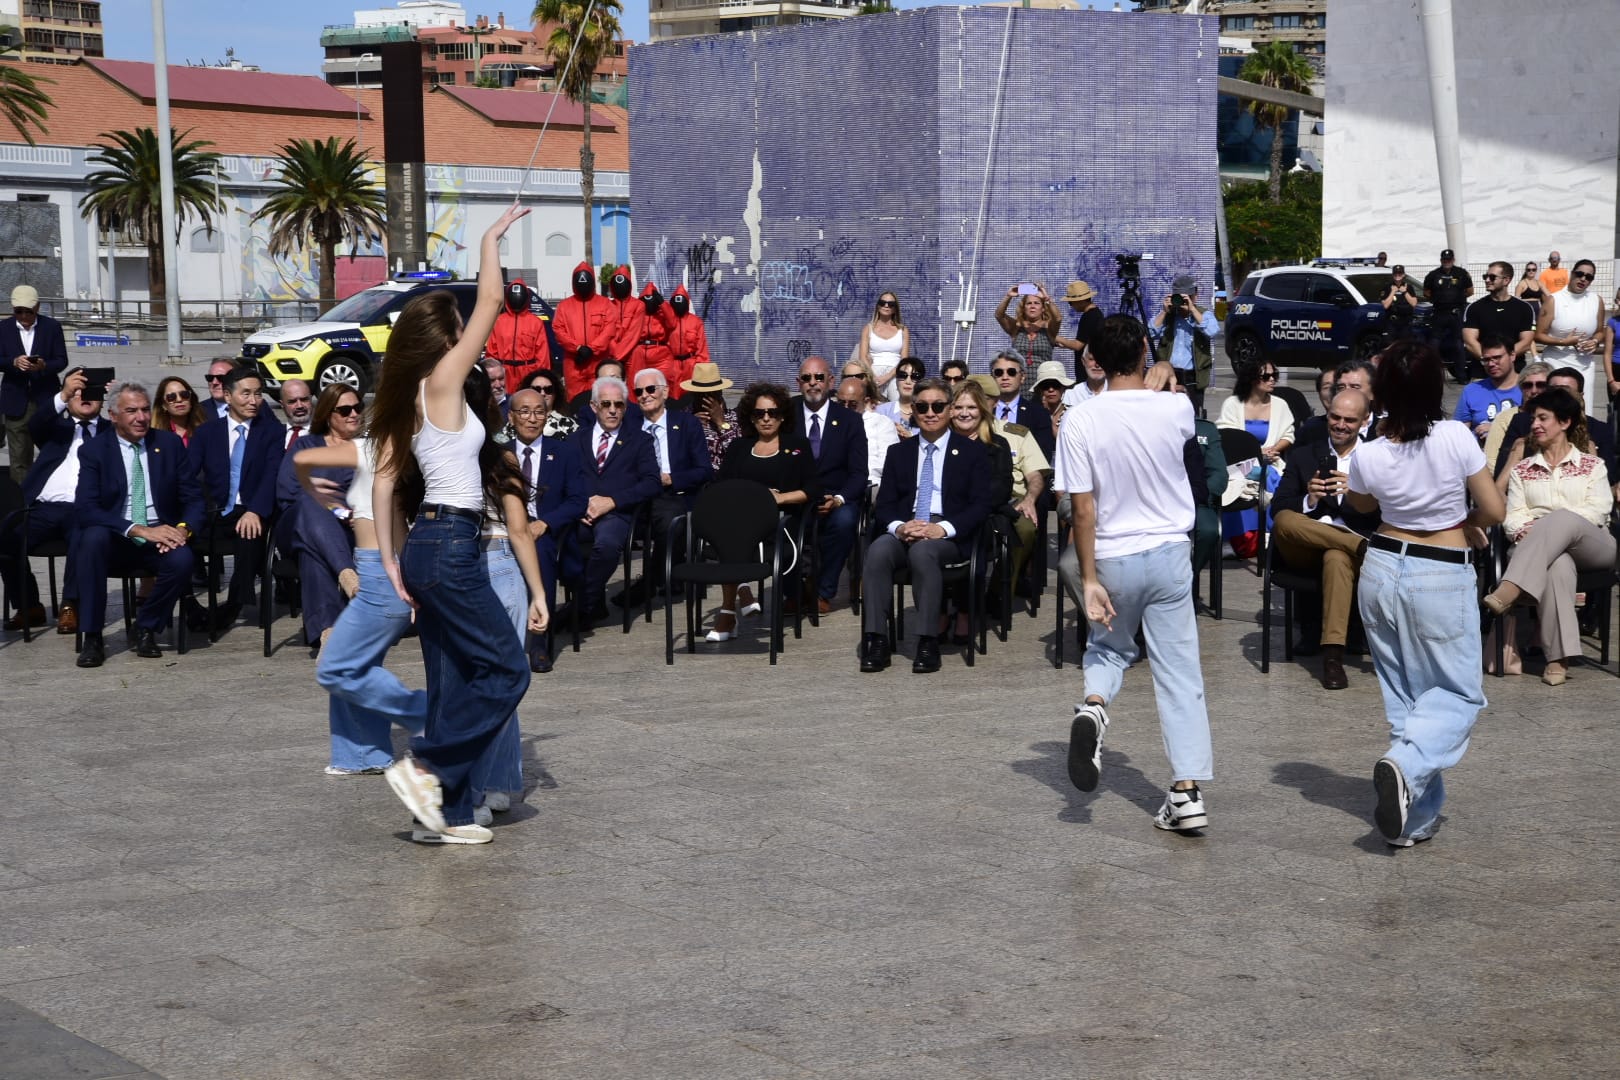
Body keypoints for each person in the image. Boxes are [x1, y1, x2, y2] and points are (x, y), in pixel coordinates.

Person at [370, 204, 540, 846]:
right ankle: (427, 769)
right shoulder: (442, 380)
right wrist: (491, 239)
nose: (471, 340)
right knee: (506, 670)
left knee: (454, 680)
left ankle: (445, 815)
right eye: (459, 332)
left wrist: (392, 561)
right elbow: (493, 298)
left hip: (430, 547)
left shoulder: (407, 395)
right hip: (450, 543)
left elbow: (385, 483)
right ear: (442, 341)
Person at [1344, 339, 1505, 848]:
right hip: (1440, 570)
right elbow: (1495, 509)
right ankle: (1406, 764)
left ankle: (1411, 819)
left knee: (1405, 696)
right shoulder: (1456, 436)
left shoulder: (1369, 452)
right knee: (1458, 694)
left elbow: (1362, 505)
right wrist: (1468, 522)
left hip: (1383, 565)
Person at [1059, 314, 1215, 833]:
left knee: (1107, 649)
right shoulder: (1175, 408)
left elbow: (1082, 509)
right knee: (1179, 674)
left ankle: (1096, 705)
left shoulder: (1078, 418)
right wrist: (1167, 366)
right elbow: (1173, 390)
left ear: (1094, 360)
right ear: (1145, 351)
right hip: (1171, 553)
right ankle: (1187, 790)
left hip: (1115, 553)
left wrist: (1087, 578)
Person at [859, 377, 993, 675]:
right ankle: (876, 639)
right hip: (907, 525)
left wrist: (942, 528)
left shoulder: (972, 451)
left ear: (948, 409)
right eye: (922, 406)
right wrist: (899, 527)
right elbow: (885, 505)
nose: (930, 412)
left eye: (937, 406)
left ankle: (927, 640)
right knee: (879, 550)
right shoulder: (899, 453)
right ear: (914, 410)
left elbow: (980, 505)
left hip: (946, 533)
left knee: (924, 554)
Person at [1483, 388, 1615, 686]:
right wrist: (1537, 532)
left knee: (1563, 518)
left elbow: (1598, 511)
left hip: (1592, 543)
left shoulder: (1593, 466)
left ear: (1565, 422)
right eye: (1533, 419)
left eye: (1543, 418)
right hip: (1539, 550)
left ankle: (1510, 587)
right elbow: (1513, 515)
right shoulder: (1523, 470)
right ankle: (1557, 659)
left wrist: (1549, 524)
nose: (1535, 425)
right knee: (1558, 565)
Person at [72, 382, 203, 667]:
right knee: (91, 540)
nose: (141, 417)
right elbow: (86, 508)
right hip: (116, 535)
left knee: (183, 559)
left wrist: (182, 529)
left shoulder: (167, 444)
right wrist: (137, 529)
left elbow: (194, 498)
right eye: (131, 411)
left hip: (161, 532)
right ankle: (92, 635)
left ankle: (146, 626)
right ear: (113, 415)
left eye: (144, 410)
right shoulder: (95, 450)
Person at [1270, 389, 1382, 689]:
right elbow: (1278, 506)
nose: (1341, 425)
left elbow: (1389, 514)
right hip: (1307, 545)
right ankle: (1358, 547)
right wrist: (1308, 499)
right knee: (1283, 520)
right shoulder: (1305, 454)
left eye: (1349, 419)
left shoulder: (1375, 457)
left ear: (1364, 421)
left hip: (1352, 549)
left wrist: (1354, 497)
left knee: (1336, 557)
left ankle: (1332, 658)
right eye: (1335, 417)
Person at [709, 383, 820, 642]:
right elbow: (722, 486)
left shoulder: (797, 445)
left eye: (773, 412)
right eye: (760, 414)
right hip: (743, 523)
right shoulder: (739, 447)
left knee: (734, 540)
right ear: (751, 416)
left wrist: (780, 497)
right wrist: (753, 497)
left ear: (783, 415)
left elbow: (814, 488)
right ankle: (732, 605)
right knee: (730, 534)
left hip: (782, 524)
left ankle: (737, 600)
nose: (767, 418)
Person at [0, 368, 105, 633]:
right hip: (43, 508)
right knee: (6, 538)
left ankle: (71, 605)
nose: (84, 397)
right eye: (77, 392)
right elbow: (35, 424)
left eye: (91, 392)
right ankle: (28, 606)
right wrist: (63, 393)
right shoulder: (55, 429)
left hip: (84, 510)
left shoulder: (112, 432)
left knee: (83, 535)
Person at [189, 366, 286, 633]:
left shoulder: (271, 432)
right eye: (246, 394)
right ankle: (188, 604)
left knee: (250, 534)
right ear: (228, 397)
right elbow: (187, 475)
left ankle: (232, 607)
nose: (253, 401)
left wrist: (256, 510)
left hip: (251, 510)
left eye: (257, 394)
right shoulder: (207, 433)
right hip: (215, 511)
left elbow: (272, 474)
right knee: (176, 542)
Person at [562, 374, 661, 627]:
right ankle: (589, 606)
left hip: (619, 514)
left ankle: (581, 605)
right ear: (594, 407)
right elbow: (564, 479)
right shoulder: (575, 441)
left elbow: (652, 483)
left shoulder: (640, 440)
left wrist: (612, 501)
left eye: (619, 405)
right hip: (580, 512)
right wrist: (581, 503)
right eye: (606, 404)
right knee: (556, 542)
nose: (613, 410)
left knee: (606, 545)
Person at [508, 386, 588, 674]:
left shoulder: (564, 452)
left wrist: (545, 522)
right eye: (525, 412)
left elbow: (578, 500)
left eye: (539, 412)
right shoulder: (500, 453)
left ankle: (540, 642)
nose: (532, 418)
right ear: (511, 416)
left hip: (546, 530)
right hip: (504, 528)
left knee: (540, 550)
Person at [276, 384, 363, 648]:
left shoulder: (367, 450)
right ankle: (348, 575)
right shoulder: (307, 445)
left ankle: (328, 633)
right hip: (296, 525)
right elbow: (287, 492)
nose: (353, 414)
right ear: (328, 414)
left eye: (358, 407)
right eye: (345, 409)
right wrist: (336, 510)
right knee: (310, 500)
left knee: (312, 553)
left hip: (348, 534)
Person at [617, 367, 711, 608]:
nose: (645, 395)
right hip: (637, 493)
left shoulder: (687, 423)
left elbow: (704, 470)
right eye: (639, 391)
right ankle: (668, 573)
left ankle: (650, 582)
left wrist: (672, 478)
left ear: (666, 392)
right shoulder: (629, 426)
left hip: (674, 492)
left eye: (651, 389)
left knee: (670, 518)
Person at [791, 355, 867, 615]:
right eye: (807, 378)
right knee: (780, 522)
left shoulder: (850, 421)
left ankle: (824, 591)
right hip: (795, 497)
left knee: (845, 522)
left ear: (830, 381)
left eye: (819, 377)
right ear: (798, 382)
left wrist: (839, 499)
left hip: (836, 498)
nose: (813, 383)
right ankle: (794, 590)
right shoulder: (785, 415)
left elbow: (859, 473)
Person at [1493, 366, 1614, 486]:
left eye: (1566, 391)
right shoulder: (1523, 424)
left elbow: (1607, 482)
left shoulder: (1599, 431)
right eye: (1553, 391)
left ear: (1580, 396)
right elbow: (1500, 476)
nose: (1559, 397)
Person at [1, 284, 68, 484]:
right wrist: (13, 362)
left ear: (37, 307)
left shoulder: (52, 327)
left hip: (45, 398)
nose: (23, 316)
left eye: (27, 311)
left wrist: (43, 365)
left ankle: (52, 493)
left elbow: (62, 360)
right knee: (19, 458)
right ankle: (24, 503)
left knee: (53, 451)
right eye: (18, 311)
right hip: (16, 400)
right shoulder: (3, 329)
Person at [1536, 258, 1607, 418]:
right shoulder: (1554, 300)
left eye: (1589, 277)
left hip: (1584, 364)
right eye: (1580, 274)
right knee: (1554, 410)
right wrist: (1563, 342)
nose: (1583, 279)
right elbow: (1538, 335)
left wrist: (1594, 341)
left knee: (1583, 410)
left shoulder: (1597, 300)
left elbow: (1600, 331)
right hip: (1556, 361)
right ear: (1572, 273)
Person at [1151, 273, 1220, 415]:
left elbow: (1212, 331)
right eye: (1179, 298)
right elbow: (1150, 333)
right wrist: (1164, 312)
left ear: (1195, 296)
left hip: (1193, 377)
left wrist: (1192, 310)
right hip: (1169, 374)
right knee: (1167, 415)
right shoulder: (1169, 316)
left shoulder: (1203, 314)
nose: (1183, 302)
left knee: (1193, 416)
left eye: (1187, 297)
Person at [554, 261, 616, 402]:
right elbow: (558, 330)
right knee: (575, 400)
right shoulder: (564, 306)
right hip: (574, 363)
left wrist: (591, 349)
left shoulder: (605, 304)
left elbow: (609, 329)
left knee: (602, 399)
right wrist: (577, 348)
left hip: (598, 362)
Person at [1463, 262, 1536, 365]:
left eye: (1492, 277)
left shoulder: (1524, 308)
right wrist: (1489, 360)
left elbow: (1526, 342)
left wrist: (1503, 360)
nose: (1487, 280)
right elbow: (1470, 342)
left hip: (1515, 372)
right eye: (1485, 276)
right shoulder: (1474, 308)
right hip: (1482, 372)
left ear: (1506, 280)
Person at [485, 279, 551, 395]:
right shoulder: (499, 321)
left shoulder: (535, 323)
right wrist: (492, 376)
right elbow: (491, 353)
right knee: (504, 407)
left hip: (528, 373)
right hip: (504, 374)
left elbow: (542, 356)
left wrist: (540, 378)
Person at [987, 350, 1055, 459]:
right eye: (999, 372)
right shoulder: (983, 412)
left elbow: (1043, 454)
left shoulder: (1039, 414)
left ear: (1022, 377)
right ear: (992, 377)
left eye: (1011, 372)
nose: (1005, 377)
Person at [836, 372, 899, 490]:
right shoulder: (830, 421)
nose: (845, 408)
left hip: (870, 484)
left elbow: (888, 463)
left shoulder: (882, 423)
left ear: (865, 401)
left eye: (852, 404)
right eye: (841, 403)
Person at [1453, 336, 1522, 441]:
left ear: (1512, 356)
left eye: (1497, 358)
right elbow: (1460, 433)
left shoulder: (1529, 387)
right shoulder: (1471, 391)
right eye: (1486, 360)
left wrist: (1497, 429)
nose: (1491, 364)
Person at [1423, 248, 1475, 382]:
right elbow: (1427, 292)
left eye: (1449, 259)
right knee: (1434, 344)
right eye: (1444, 259)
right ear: (1441, 260)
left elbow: (1470, 291)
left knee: (1458, 344)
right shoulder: (1433, 275)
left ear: (1453, 260)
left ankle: (1461, 375)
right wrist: (1438, 299)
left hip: (1455, 313)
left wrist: (1456, 298)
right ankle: (1432, 374)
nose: (1447, 262)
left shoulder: (1461, 273)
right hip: (1439, 313)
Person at [995, 284, 1060, 384]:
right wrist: (1009, 296)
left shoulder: (1048, 327)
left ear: (1043, 308)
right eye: (1029, 303)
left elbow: (1058, 318)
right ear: (1024, 308)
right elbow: (999, 315)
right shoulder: (1016, 327)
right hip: (1019, 380)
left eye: (1037, 303)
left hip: (1042, 382)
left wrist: (1047, 299)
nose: (1032, 306)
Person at [681, 362, 740, 471]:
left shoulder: (735, 418)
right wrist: (691, 426)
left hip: (725, 480)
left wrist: (722, 423)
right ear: (694, 394)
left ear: (720, 393)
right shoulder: (683, 419)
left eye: (711, 394)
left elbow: (738, 454)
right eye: (702, 395)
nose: (707, 399)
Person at [856, 291, 909, 401]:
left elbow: (904, 359)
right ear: (878, 306)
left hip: (895, 374)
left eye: (891, 304)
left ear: (895, 308)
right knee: (874, 408)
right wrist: (873, 376)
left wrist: (888, 376)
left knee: (896, 408)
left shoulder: (903, 330)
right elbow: (863, 356)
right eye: (883, 302)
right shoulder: (868, 328)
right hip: (873, 373)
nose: (886, 306)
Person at [1054, 280, 1104, 383]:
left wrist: (1056, 337)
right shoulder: (1096, 314)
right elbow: (1085, 341)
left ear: (1080, 301)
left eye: (1071, 302)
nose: (1071, 305)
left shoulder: (1089, 317)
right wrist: (1063, 344)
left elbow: (1078, 345)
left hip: (1087, 373)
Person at [666, 285, 708, 393]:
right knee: (673, 397)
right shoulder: (667, 321)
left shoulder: (696, 322)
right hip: (673, 365)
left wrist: (701, 371)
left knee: (691, 396)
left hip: (691, 365)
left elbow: (701, 349)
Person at [516, 368, 578, 440]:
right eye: (536, 389)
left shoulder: (568, 424)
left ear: (555, 394)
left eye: (548, 390)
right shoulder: (516, 421)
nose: (542, 393)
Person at [874, 356, 926, 437]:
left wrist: (910, 436)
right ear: (896, 381)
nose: (908, 381)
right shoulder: (881, 412)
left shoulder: (929, 413)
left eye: (915, 377)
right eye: (903, 375)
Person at [152, 376, 205, 447]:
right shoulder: (154, 435)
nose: (179, 400)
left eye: (184, 394)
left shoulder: (206, 430)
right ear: (163, 405)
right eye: (171, 397)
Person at [567, 357, 624, 422]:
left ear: (624, 381)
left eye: (614, 378)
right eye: (603, 379)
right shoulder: (580, 405)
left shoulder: (634, 412)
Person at [1379, 265, 1421, 342]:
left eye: (1400, 273)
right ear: (1392, 275)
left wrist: (1405, 292)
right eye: (1395, 274)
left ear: (1403, 275)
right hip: (1392, 322)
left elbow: (1414, 303)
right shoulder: (1387, 287)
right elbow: (1385, 305)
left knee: (1405, 347)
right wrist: (1392, 292)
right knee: (1390, 346)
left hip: (1405, 323)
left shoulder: (1409, 287)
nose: (1397, 275)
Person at [1031, 361, 1073, 428]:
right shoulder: (1031, 414)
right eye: (1045, 385)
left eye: (1055, 385)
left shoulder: (1073, 414)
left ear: (1064, 387)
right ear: (1040, 390)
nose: (1051, 390)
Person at [278, 379, 315, 448]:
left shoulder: (325, 433)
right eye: (292, 401)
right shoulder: (273, 434)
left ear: (311, 399)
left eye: (304, 400)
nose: (299, 406)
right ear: (282, 405)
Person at [1515, 260, 1546, 325]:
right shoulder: (1522, 283)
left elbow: (1549, 295)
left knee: (1537, 329)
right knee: (1529, 329)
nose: (1531, 271)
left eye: (1533, 269)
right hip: (1527, 310)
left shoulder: (1539, 283)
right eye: (1529, 270)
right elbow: (1516, 300)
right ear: (1526, 271)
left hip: (1538, 309)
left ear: (1536, 271)